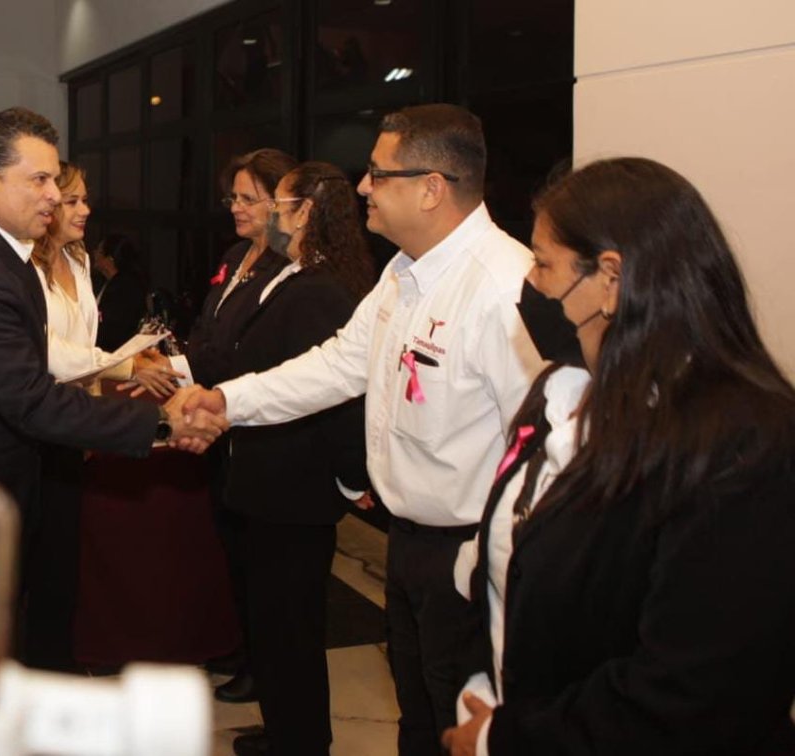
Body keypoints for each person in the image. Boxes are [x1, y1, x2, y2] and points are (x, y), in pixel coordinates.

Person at [175, 104, 544, 754]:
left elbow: (543, 454)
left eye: (379, 173)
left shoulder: (503, 287)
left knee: (464, 728)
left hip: (469, 559)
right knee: (419, 719)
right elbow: (339, 364)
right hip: (411, 546)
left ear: (431, 188)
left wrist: (497, 579)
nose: (364, 187)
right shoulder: (404, 273)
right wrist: (226, 402)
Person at [442, 157, 795, 756]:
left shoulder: (743, 443)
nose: (531, 284)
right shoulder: (560, 392)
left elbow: (696, 695)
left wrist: (505, 738)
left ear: (610, 279)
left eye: (543, 264)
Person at [0, 108, 225, 569]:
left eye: (55, 181)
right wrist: (161, 422)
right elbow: (31, 400)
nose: (54, 196)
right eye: (39, 180)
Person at [225, 161, 374, 756]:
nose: (269, 215)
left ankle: (302, 742)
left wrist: (351, 479)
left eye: (279, 204)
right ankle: (286, 731)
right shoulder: (291, 275)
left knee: (292, 630)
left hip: (294, 487)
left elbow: (336, 393)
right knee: (274, 626)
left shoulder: (320, 288)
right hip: (269, 481)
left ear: (305, 212)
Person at [152, 147, 298, 703]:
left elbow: (253, 350)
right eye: (231, 197)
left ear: (280, 203)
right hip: (219, 420)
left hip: (256, 424)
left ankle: (263, 664)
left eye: (248, 198)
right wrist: (180, 365)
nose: (235, 207)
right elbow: (209, 327)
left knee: (261, 562)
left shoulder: (287, 267)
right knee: (229, 548)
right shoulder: (237, 255)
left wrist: (195, 376)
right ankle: (239, 646)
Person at [22, 161, 171, 670]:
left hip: (74, 422)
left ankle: (56, 664)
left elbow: (85, 344)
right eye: (73, 201)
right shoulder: (26, 268)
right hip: (38, 425)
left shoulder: (78, 259)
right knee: (38, 560)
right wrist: (125, 363)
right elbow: (48, 351)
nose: (85, 210)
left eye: (85, 199)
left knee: (63, 558)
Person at [91, 233, 147, 353]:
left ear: (110, 259)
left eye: (99, 251)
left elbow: (113, 329)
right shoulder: (110, 283)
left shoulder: (125, 287)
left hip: (116, 353)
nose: (94, 253)